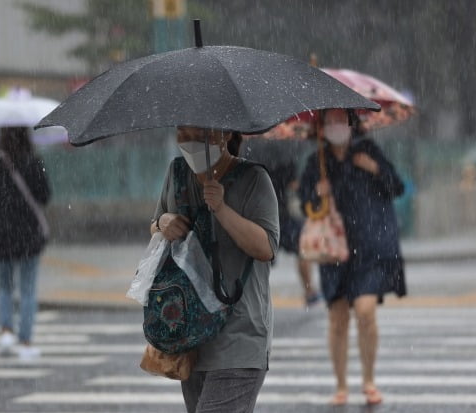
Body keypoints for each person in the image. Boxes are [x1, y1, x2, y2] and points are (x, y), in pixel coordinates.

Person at [151, 127, 279, 413]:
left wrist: (221, 208)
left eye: (201, 134)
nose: (190, 142)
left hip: (239, 337)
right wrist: (163, 224)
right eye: (182, 133)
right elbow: (155, 224)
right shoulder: (176, 174)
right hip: (189, 337)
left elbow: (266, 247)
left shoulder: (254, 178)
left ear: (224, 134)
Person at [298, 109, 406, 406]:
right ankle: (341, 384)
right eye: (329, 121)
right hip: (335, 250)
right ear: (321, 127)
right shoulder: (317, 163)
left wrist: (375, 169)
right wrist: (316, 194)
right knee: (338, 318)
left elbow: (396, 187)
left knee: (366, 310)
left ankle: (369, 379)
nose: (336, 126)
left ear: (351, 123)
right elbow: (306, 203)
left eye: (340, 120)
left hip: (370, 248)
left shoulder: (369, 150)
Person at [0, 126, 51, 360]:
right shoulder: (34, 162)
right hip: (29, 234)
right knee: (28, 289)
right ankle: (25, 342)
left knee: (4, 285)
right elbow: (45, 196)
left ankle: (5, 331)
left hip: (1, 234)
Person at [269, 161, 321, 307]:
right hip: (282, 217)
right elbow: (294, 185)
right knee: (302, 249)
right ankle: (309, 291)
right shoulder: (287, 158)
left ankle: (309, 291)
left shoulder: (256, 153)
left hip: (267, 215)